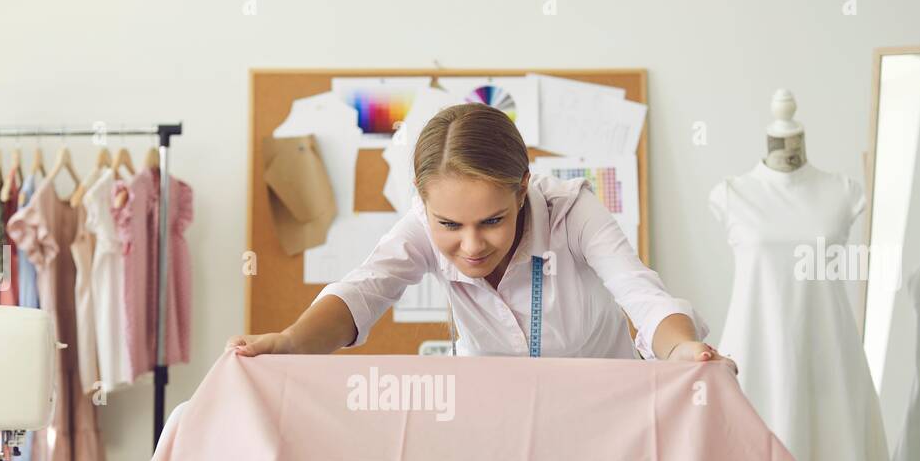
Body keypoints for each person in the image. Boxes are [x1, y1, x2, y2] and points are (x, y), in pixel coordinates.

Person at [227, 102, 734, 371]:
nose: (471, 247)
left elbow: (640, 295)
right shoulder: (422, 223)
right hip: (494, 417)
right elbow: (365, 289)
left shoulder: (572, 212)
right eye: (449, 225)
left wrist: (684, 349)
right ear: (424, 203)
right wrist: (291, 343)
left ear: (521, 191)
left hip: (603, 410)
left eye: (491, 220)